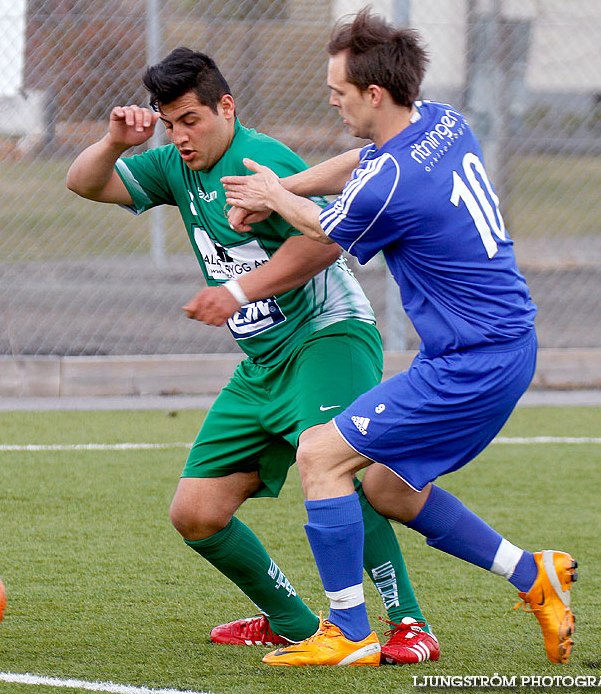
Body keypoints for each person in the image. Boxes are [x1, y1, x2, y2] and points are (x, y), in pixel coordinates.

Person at [222, 9, 577, 667]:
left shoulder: (394, 186)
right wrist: (277, 189)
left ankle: (348, 633)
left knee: (320, 456)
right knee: (385, 486)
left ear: (375, 93)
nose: (332, 99)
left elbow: (327, 229)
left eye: (339, 91)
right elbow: (365, 159)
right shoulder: (440, 121)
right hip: (494, 348)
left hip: (473, 362)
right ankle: (533, 576)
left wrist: (274, 195)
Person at [66, 46, 439, 665]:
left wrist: (235, 291)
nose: (181, 136)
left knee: (337, 468)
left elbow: (326, 243)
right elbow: (84, 183)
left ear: (226, 107)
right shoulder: (174, 167)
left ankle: (408, 624)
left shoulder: (258, 161)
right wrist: (112, 143)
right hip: (263, 363)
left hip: (329, 337)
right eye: (170, 123)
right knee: (196, 513)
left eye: (191, 120)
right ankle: (293, 622)